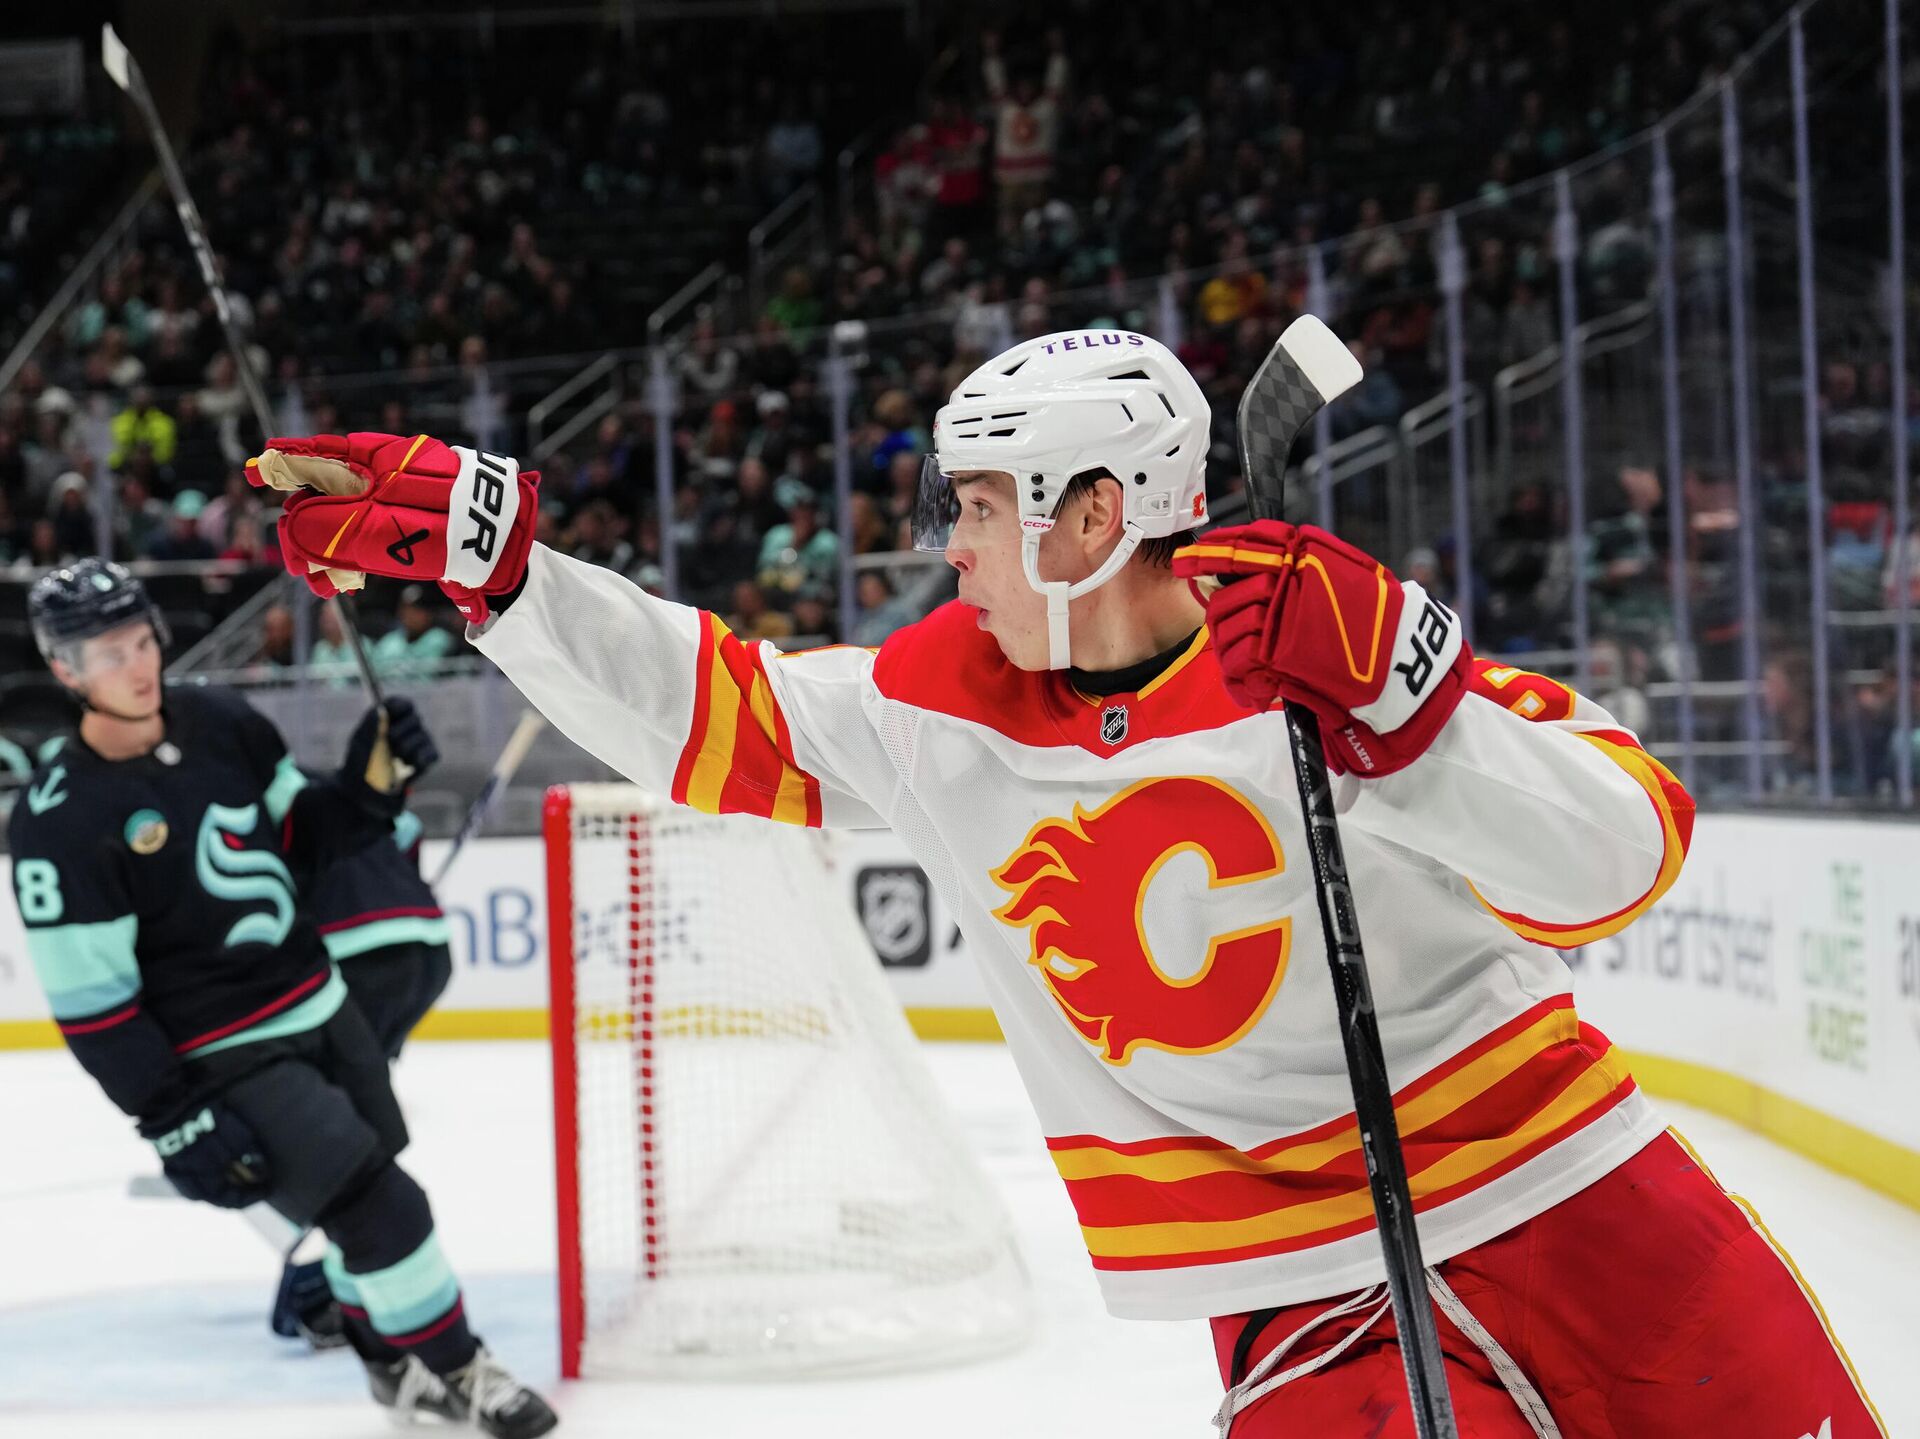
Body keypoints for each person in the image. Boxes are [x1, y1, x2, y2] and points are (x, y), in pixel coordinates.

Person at [248, 337, 1880, 1437]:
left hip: (1583, 1197)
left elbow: (1625, 850)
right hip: (1301, 1296)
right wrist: (503, 572)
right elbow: (708, 705)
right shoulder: (937, 706)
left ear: (1094, 515)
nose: (948, 544)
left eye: (975, 505)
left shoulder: (1317, 643)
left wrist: (1409, 705)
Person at [7, 560, 556, 1437]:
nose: (139, 665)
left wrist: (369, 787)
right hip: (227, 1054)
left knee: (365, 1201)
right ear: (65, 669)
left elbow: (303, 838)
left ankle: (391, 1370)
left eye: (142, 640)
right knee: (386, 1207)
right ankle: (464, 1371)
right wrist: (172, 1116)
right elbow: (94, 1007)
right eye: (110, 654)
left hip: (321, 1003)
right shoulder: (57, 819)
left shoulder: (223, 724)